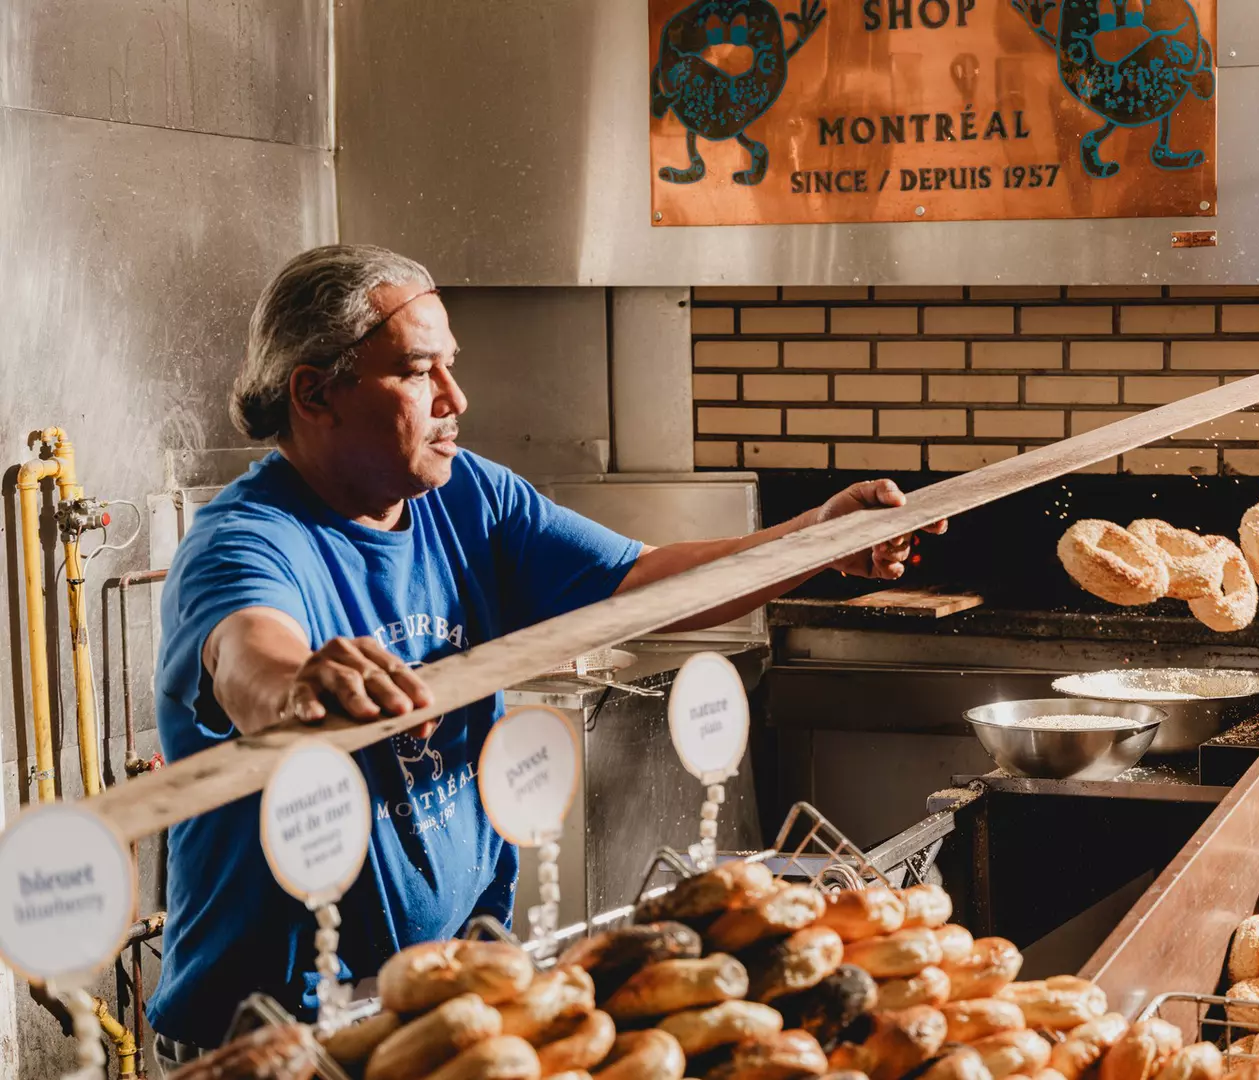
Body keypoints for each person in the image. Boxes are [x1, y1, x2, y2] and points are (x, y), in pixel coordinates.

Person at [146, 245, 943, 1063]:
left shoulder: (471, 498)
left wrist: (816, 539)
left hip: (432, 1006)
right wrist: (297, 685)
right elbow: (248, 658)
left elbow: (649, 583)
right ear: (314, 392)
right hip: (270, 1041)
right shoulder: (246, 542)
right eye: (419, 373)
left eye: (450, 367)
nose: (456, 400)